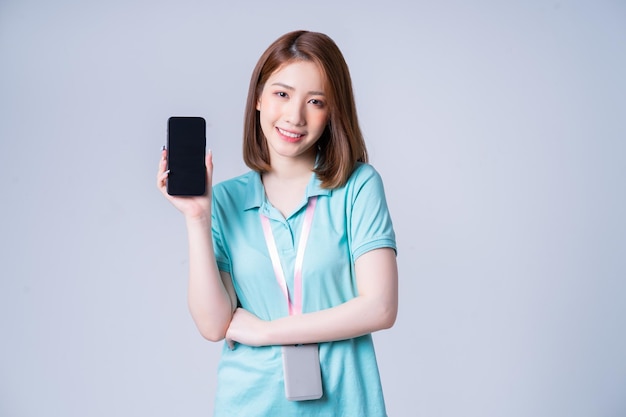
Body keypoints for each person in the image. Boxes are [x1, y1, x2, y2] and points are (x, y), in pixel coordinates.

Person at [157, 30, 398, 416]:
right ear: (258, 98)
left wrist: (267, 332)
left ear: (333, 111)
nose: (294, 116)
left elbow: (380, 307)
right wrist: (198, 218)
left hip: (346, 404)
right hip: (250, 403)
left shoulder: (359, 186)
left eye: (315, 101)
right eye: (282, 94)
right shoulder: (226, 199)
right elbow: (213, 324)